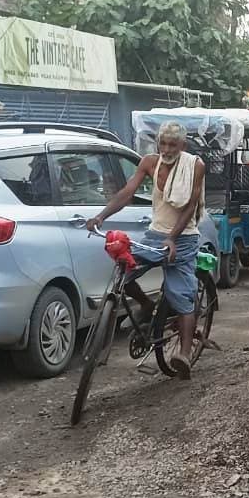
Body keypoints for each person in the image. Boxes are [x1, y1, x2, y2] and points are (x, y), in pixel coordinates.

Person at [86, 122, 206, 379]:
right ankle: (146, 303)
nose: (167, 149)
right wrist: (101, 216)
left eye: (173, 145)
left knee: (181, 294)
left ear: (183, 145)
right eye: (163, 143)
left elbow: (190, 206)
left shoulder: (195, 165)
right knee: (124, 271)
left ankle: (184, 354)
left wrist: (172, 238)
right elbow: (127, 192)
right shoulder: (150, 162)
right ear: (157, 143)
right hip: (155, 235)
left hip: (183, 238)